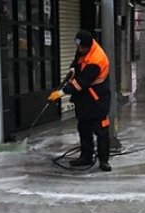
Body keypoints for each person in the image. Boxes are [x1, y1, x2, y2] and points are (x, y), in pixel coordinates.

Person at [48, 30, 112, 172]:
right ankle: (86, 156)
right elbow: (78, 62)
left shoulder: (97, 59)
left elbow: (81, 83)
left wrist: (61, 92)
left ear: (89, 46)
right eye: (78, 47)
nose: (79, 50)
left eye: (82, 48)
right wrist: (73, 68)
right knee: (83, 127)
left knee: (101, 130)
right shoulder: (84, 48)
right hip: (84, 99)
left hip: (97, 99)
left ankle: (104, 161)